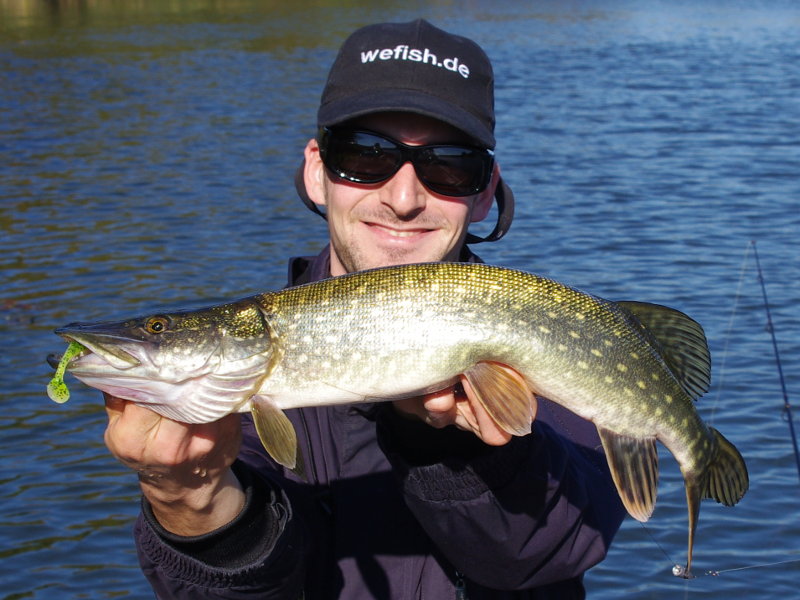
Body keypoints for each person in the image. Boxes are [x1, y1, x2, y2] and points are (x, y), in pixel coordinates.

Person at [103, 19, 626, 599]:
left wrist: (449, 446)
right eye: (365, 156)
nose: (404, 199)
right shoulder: (242, 387)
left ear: (483, 194)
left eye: (448, 164)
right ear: (316, 172)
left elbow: (547, 553)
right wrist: (188, 496)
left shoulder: (554, 334)